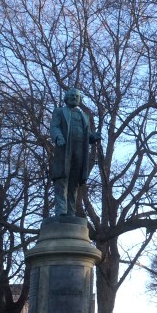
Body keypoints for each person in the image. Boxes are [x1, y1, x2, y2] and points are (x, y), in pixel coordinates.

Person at [49, 88, 100, 217]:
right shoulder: (60, 112)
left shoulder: (84, 116)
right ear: (66, 98)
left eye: (77, 96)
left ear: (80, 99)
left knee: (74, 183)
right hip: (65, 150)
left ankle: (71, 212)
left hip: (79, 152)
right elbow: (54, 127)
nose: (74, 98)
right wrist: (58, 137)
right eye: (72, 95)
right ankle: (61, 211)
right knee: (62, 179)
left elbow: (86, 135)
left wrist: (93, 137)